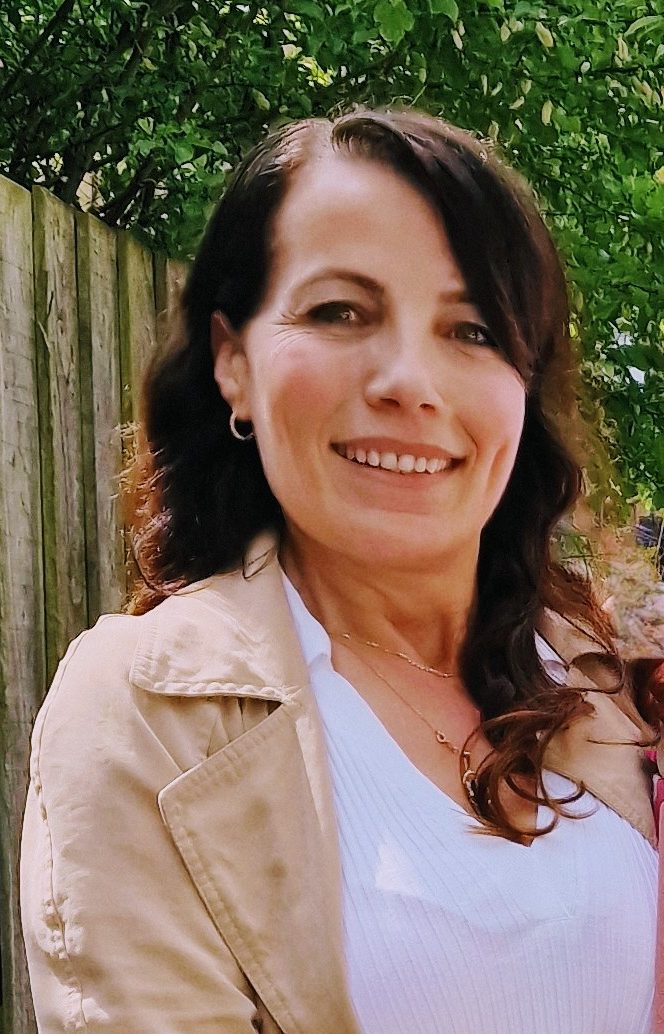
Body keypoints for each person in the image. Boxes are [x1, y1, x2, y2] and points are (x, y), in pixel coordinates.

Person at [20, 109, 659, 1034]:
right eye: (339, 312)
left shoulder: (594, 675)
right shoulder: (146, 715)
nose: (409, 380)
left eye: (473, 329)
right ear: (233, 361)